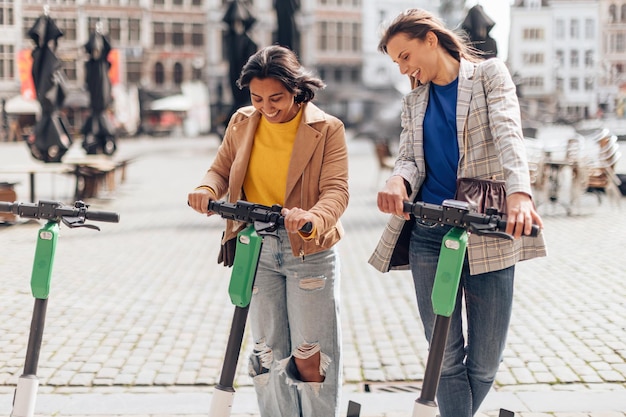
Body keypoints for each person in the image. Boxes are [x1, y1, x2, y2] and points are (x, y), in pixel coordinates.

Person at [368, 9, 547, 417]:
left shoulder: (488, 76)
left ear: (431, 40)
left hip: (485, 228)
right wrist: (398, 180)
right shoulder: (413, 100)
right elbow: (410, 158)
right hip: (429, 231)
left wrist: (520, 193)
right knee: (443, 360)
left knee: (484, 363)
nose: (403, 69)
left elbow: (508, 133)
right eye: (396, 62)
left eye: (405, 56)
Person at [188, 45, 349, 417]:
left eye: (276, 97)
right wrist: (206, 189)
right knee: (266, 349)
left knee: (312, 353)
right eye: (257, 97)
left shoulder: (327, 129)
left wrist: (312, 217)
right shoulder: (243, 121)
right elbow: (221, 169)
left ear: (297, 88)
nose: (267, 106)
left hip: (308, 251)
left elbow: (336, 190)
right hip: (254, 246)